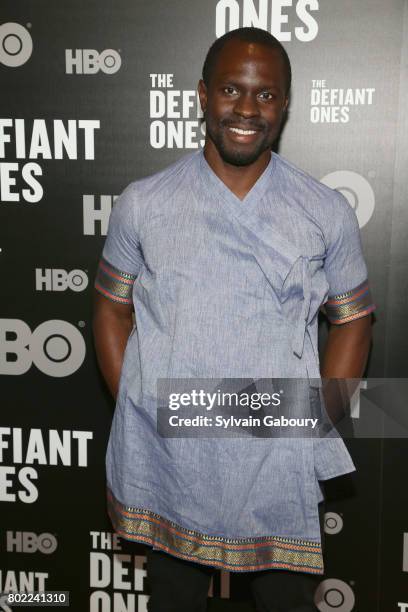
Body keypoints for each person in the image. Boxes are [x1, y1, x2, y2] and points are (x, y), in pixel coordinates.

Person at [93, 27, 375, 612]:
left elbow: (353, 318)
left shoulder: (324, 213)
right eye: (230, 90)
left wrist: (315, 416)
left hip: (276, 456)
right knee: (172, 600)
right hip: (169, 455)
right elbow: (110, 305)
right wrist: (138, 403)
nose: (247, 109)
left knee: (286, 602)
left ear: (286, 105)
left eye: (265, 95)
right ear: (202, 95)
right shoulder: (144, 203)